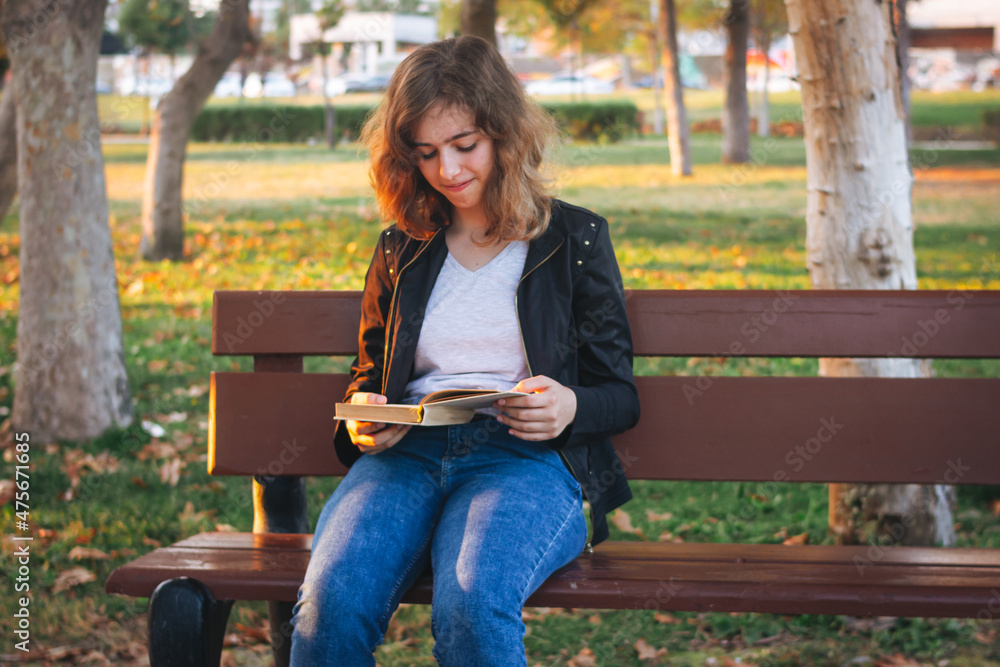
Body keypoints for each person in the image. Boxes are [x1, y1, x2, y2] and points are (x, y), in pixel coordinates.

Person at [289, 36, 639, 666]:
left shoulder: (574, 239)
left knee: (472, 605)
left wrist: (569, 407)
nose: (447, 170)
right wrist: (365, 418)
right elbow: (368, 374)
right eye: (426, 154)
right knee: (330, 603)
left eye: (465, 146)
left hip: (524, 461)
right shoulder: (403, 245)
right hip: (407, 457)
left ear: (505, 134)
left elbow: (619, 395)